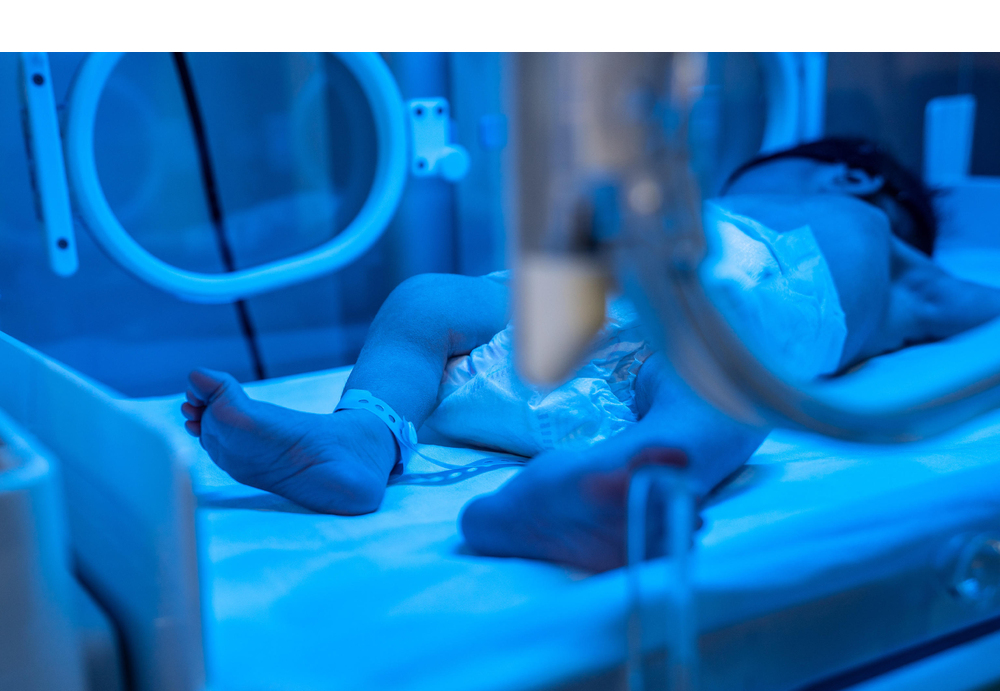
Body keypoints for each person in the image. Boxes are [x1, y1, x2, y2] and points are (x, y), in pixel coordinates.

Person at [180, 138, 1000, 572]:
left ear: (851, 180)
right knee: (431, 298)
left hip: (708, 324)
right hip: (588, 296)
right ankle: (361, 436)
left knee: (722, 380)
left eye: (768, 174)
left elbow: (971, 300)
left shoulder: (888, 249)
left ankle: (613, 481)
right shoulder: (858, 247)